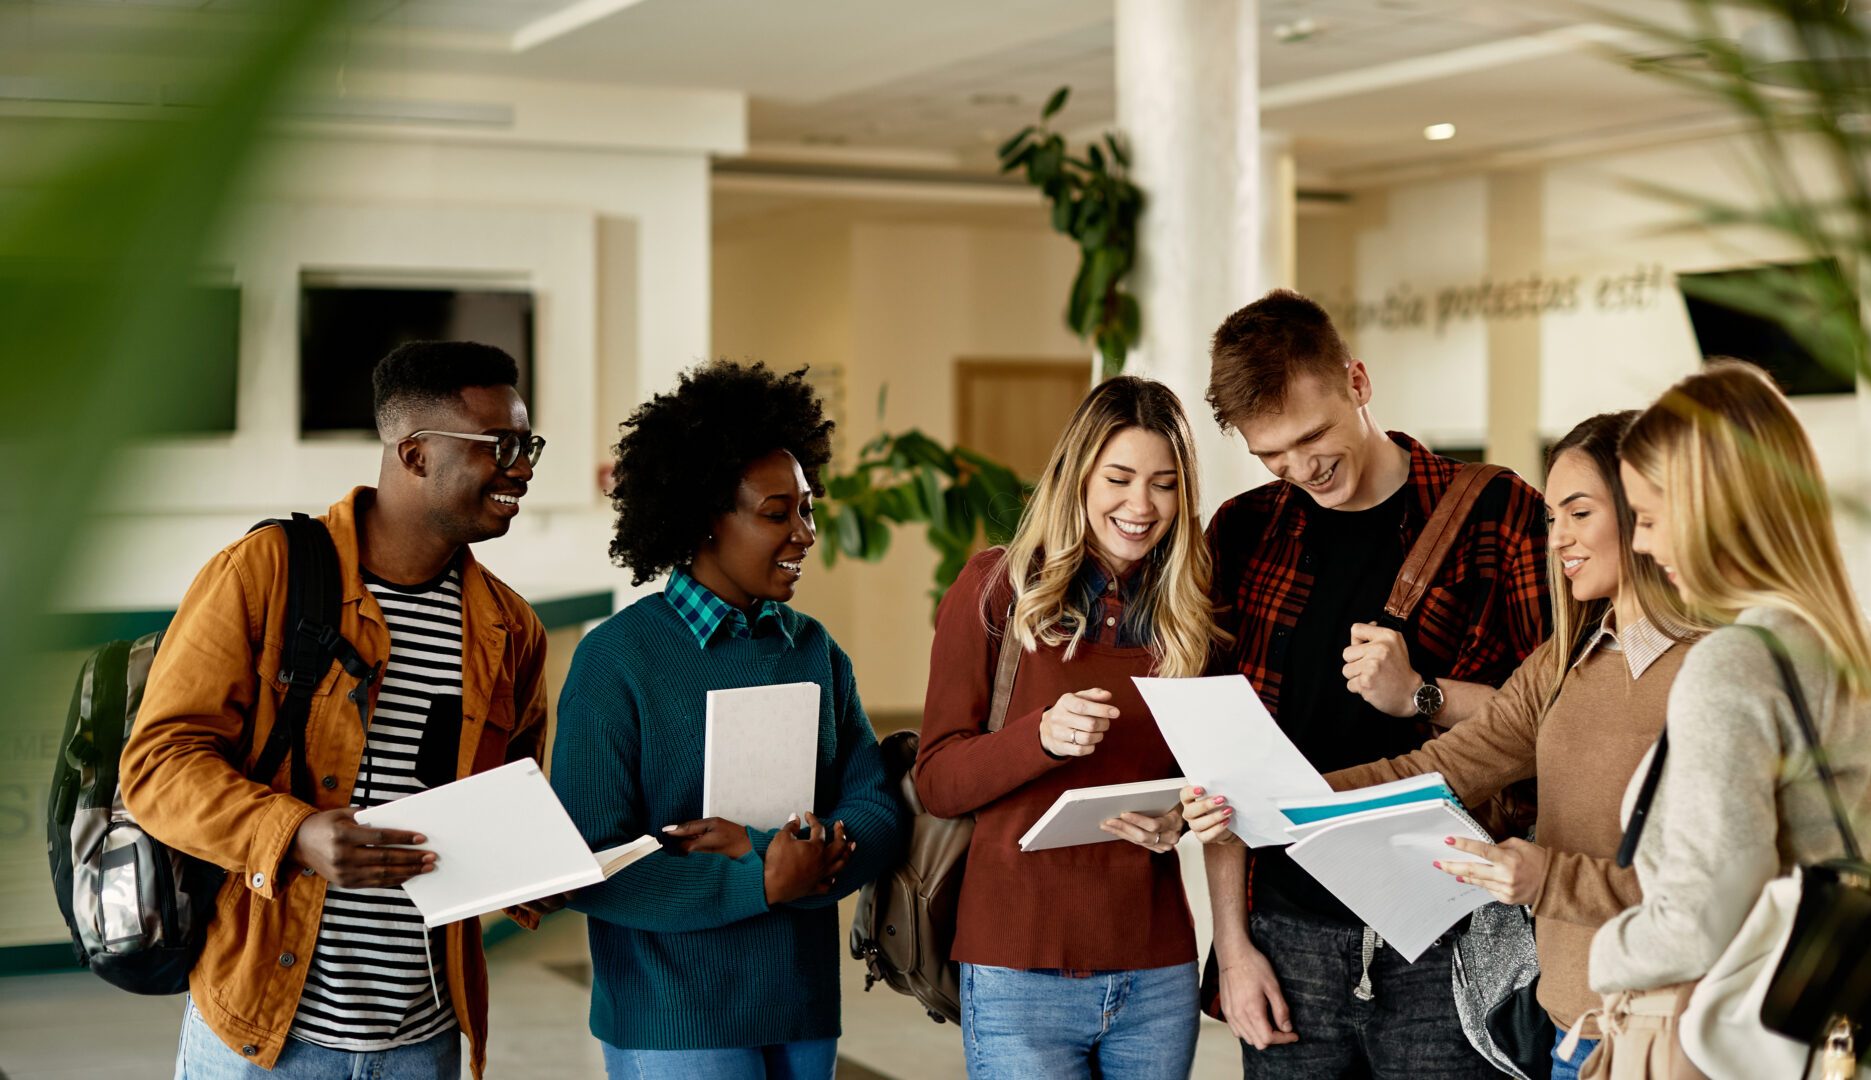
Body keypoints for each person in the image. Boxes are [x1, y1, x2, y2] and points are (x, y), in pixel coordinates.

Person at [121, 341, 554, 1079]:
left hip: (426, 1037)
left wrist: (550, 865)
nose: (523, 467)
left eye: (528, 443)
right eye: (501, 445)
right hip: (263, 1035)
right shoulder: (265, 573)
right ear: (414, 454)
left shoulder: (509, 629)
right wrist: (293, 834)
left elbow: (506, 801)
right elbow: (157, 766)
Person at [1182, 288, 1550, 1078]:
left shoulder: (1500, 515)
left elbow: (1559, 724)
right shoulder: (1244, 532)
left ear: (1358, 381)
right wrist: (1234, 946)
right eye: (1271, 454)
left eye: (1312, 435)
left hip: (1450, 932)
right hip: (1286, 932)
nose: (1300, 468)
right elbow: (1222, 765)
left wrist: (1424, 694)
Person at [1301, 410, 1707, 1079]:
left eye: (1578, 513)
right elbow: (1436, 771)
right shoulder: (1562, 663)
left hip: (1681, 1039)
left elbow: (1717, 882)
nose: (1558, 540)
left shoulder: (1718, 667)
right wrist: (1281, 800)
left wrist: (1547, 879)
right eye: (1552, 519)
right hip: (1569, 1038)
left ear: (1643, 509)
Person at [550, 359, 910, 1080]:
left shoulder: (814, 651)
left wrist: (774, 849)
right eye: (777, 514)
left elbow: (876, 806)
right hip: (673, 1020)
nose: (805, 534)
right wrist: (765, 880)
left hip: (801, 1007)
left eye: (808, 508)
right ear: (704, 519)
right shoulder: (617, 660)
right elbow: (587, 866)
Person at [1585, 361, 1871, 1072]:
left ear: (1714, 511)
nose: (1641, 544)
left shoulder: (1733, 664)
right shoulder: (1851, 653)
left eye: (1647, 517)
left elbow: (1703, 919)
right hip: (1818, 1028)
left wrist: (1605, 949)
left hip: (1702, 1034)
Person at [915, 376, 1228, 1080]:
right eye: (1118, 478)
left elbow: (1210, 774)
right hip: (1017, 965)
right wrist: (1040, 738)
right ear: (1077, 475)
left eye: (1164, 484)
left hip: (1155, 966)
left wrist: (1179, 817)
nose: (1141, 506)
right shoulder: (996, 590)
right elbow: (937, 780)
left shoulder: (1192, 613)